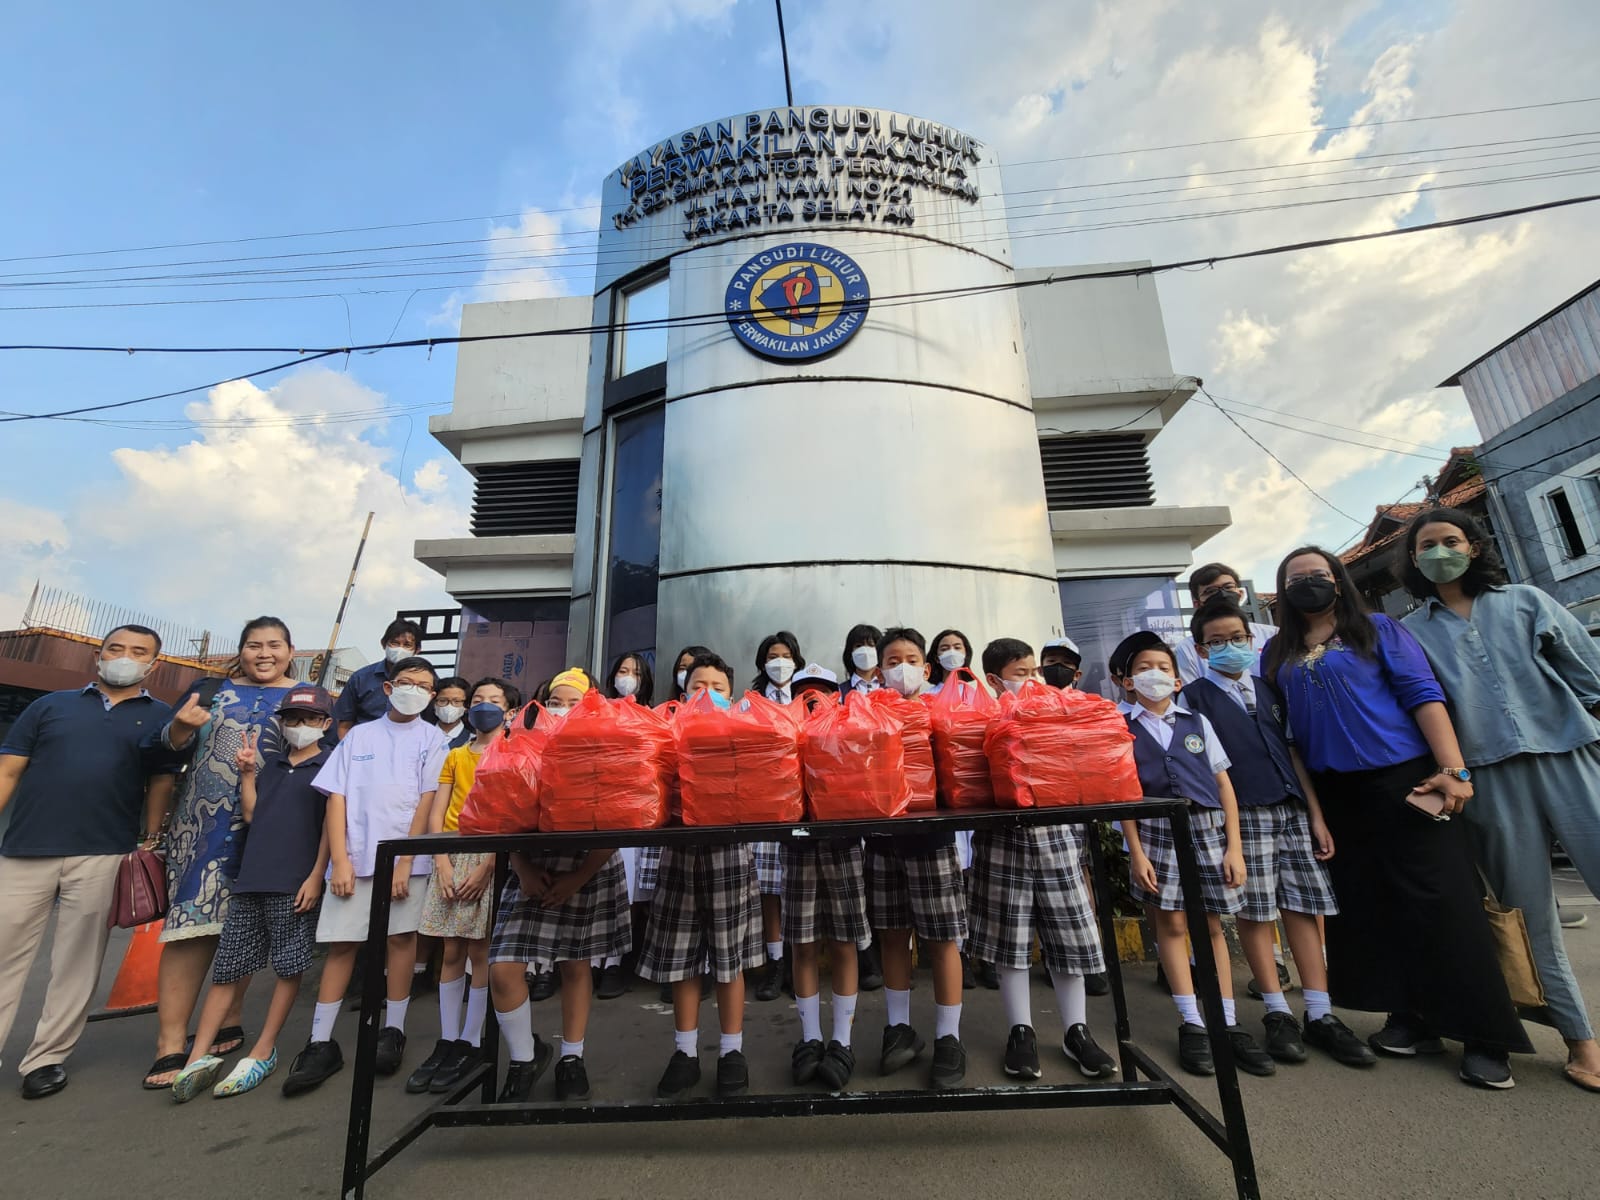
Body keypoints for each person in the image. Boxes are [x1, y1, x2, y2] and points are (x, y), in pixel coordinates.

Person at [1265, 545, 1533, 1088]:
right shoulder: (1278, 652)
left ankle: (1485, 1037)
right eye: (1295, 579)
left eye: (1318, 575)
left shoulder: (1378, 629)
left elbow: (1423, 695)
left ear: (1338, 581)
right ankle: (1410, 1018)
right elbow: (1289, 736)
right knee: (1373, 910)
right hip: (1338, 794)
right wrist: (1316, 810)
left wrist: (1453, 770)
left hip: (1406, 780)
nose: (1308, 584)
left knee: (1443, 905)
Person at [1399, 508, 1600, 1092]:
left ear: (1474, 547)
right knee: (1526, 914)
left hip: (1569, 750)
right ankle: (1580, 1040)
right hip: (1486, 776)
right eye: (1427, 545)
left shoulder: (1526, 600)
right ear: (1413, 561)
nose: (1440, 552)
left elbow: (1588, 672)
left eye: (1450, 541)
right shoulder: (1412, 630)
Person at [1182, 600, 1374, 1069]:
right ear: (1201, 649)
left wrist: (1315, 814)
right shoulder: (1194, 698)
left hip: (1291, 808)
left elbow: (1293, 754)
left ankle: (1321, 1012)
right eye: (1217, 641)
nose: (1230, 647)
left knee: (1303, 907)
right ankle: (1276, 1011)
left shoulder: (1270, 689)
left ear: (1252, 639)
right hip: (1243, 813)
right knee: (1256, 910)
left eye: (1238, 638)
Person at [0, 625, 178, 1100]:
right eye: (115, 649)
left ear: (153, 664)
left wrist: (152, 837)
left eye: (138, 652)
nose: (125, 658)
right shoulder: (49, 706)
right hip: (24, 849)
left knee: (77, 962)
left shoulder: (161, 718)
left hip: (104, 852)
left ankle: (46, 1058)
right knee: (3, 953)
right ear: (97, 657)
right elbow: (9, 768)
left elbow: (161, 781)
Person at [145, 616, 301, 1089]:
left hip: (271, 828)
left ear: (291, 651)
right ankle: (170, 1042)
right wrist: (177, 728)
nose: (264, 653)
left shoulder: (307, 697)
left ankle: (229, 1016)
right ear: (241, 650)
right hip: (203, 830)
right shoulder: (209, 691)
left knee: (248, 923)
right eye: (254, 645)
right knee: (189, 928)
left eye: (275, 645)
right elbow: (166, 753)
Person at [281, 657, 449, 1096]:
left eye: (425, 685)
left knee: (400, 942)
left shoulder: (433, 740)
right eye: (407, 682)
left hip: (405, 863)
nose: (416, 689)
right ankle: (320, 1041)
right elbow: (336, 799)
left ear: (432, 697)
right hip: (354, 861)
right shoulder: (358, 736)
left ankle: (392, 1030)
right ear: (389, 689)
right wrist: (340, 860)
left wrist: (408, 861)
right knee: (343, 946)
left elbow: (427, 803)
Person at [1112, 631, 1276, 1078]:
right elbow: (1122, 794)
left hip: (1206, 829)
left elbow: (1224, 784)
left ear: (1179, 679)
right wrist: (1136, 851)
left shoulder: (1197, 723)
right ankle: (1191, 1021)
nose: (1155, 675)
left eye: (1164, 668)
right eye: (1144, 668)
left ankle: (1226, 1020)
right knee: (1172, 922)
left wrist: (1234, 847)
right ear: (1127, 681)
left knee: (1210, 925)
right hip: (1154, 830)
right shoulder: (1120, 728)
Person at [168, 686, 334, 1101]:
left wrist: (317, 876)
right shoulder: (273, 765)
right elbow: (252, 813)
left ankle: (264, 1049)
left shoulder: (331, 766)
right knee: (228, 967)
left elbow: (332, 830)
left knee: (288, 966)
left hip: (294, 881)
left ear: (326, 725)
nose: (299, 726)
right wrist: (246, 774)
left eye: (310, 719)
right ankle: (198, 1056)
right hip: (252, 877)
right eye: (292, 718)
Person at [970, 637, 1117, 1081]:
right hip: (1002, 838)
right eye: (1021, 674)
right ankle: (1021, 1031)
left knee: (1069, 935)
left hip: (1058, 837)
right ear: (994, 680)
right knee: (1009, 941)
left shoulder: (1056, 711)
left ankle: (1077, 1031)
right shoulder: (981, 717)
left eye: (1034, 671)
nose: (1033, 680)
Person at [487, 668, 631, 1102]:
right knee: (503, 966)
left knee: (576, 964)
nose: (563, 710)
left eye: (575, 702)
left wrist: (579, 876)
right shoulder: (518, 739)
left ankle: (572, 1056)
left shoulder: (607, 743)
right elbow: (500, 811)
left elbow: (621, 815)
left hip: (589, 865)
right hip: (531, 866)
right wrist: (522, 867)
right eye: (556, 700)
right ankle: (523, 1057)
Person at [636, 652, 765, 1100]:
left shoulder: (744, 728)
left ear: (732, 695)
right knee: (682, 957)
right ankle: (685, 1052)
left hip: (730, 852)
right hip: (679, 852)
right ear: (682, 690)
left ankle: (732, 1050)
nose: (707, 694)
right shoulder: (665, 727)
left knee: (731, 960)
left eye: (718, 687)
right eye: (697, 686)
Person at [865, 627, 969, 1088]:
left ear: (926, 668)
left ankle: (949, 1037)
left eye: (909, 658)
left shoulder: (942, 710)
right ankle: (899, 1027)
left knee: (942, 940)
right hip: (882, 840)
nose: (900, 667)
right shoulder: (865, 713)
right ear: (877, 669)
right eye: (891, 660)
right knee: (891, 936)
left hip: (931, 840)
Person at [405, 677, 520, 1095]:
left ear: (509, 711)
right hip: (451, 857)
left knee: (479, 949)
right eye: (478, 699)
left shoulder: (511, 753)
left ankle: (473, 1040)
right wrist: (440, 860)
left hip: (488, 856)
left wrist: (489, 866)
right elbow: (438, 812)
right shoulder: (454, 756)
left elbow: (513, 812)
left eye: (494, 700)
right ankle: (447, 1039)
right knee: (450, 949)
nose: (483, 706)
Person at [750, 631, 806, 1002]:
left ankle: (800, 962)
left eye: (786, 655)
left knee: (799, 887)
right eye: (773, 655)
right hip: (766, 805)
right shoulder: (750, 702)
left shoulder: (810, 698)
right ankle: (776, 963)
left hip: (804, 803)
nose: (780, 661)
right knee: (770, 890)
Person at [599, 652, 654, 1000]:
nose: (628, 677)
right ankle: (597, 962)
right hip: (601, 811)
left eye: (635, 672)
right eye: (622, 670)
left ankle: (619, 960)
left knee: (631, 889)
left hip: (637, 813)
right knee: (602, 887)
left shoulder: (651, 715)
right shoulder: (598, 711)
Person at [1175, 563, 1278, 684]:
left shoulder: (1273, 635)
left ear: (1240, 594)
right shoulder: (1187, 648)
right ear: (1197, 604)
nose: (1222, 594)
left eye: (1228, 587)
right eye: (1210, 591)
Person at [333, 618, 423, 739]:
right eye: (395, 643)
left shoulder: (426, 682)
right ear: (383, 644)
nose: (400, 649)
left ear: (417, 650)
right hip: (364, 747)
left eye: (407, 645)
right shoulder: (361, 678)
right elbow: (344, 725)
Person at [431, 676, 472, 750]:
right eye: (443, 700)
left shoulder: (472, 740)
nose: (449, 706)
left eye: (456, 701)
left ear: (466, 706)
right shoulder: (421, 736)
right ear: (434, 703)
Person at [841, 623, 883, 694]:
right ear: (850, 653)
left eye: (871, 645)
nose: (865, 651)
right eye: (859, 646)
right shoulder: (840, 691)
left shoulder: (892, 687)